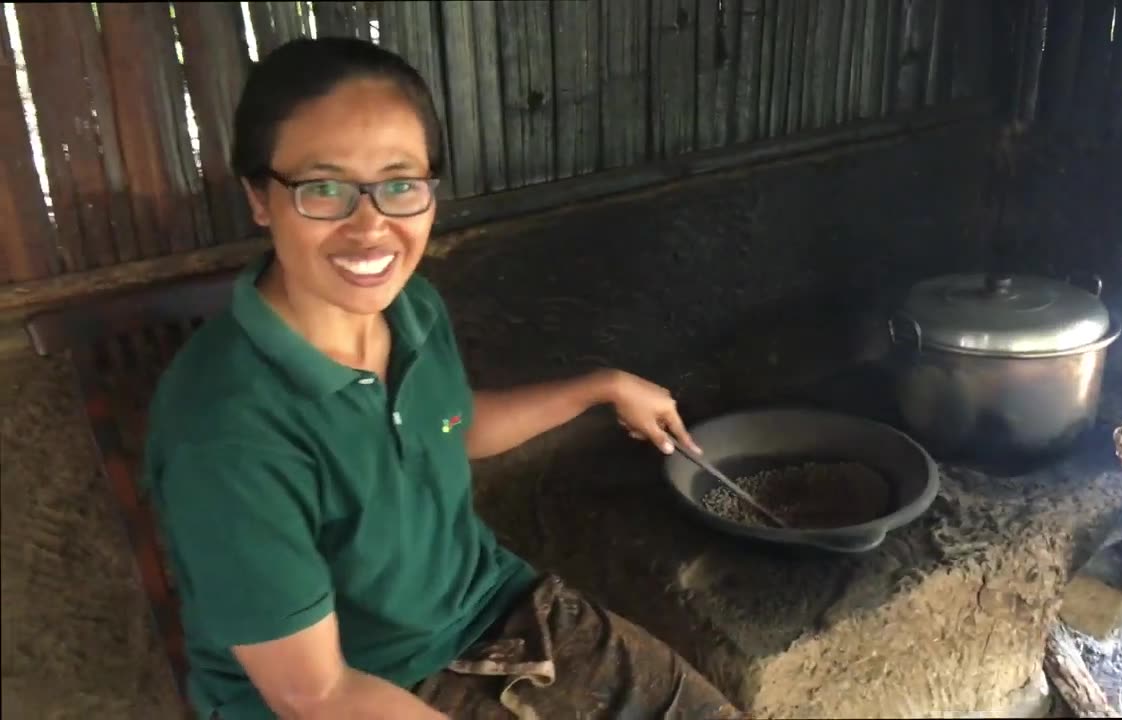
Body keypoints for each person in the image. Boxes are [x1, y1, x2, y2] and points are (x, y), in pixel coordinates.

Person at [142, 36, 742, 720]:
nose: (371, 229)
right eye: (325, 189)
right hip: (359, 688)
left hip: (489, 612)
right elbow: (316, 693)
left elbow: (450, 426)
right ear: (258, 197)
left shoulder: (411, 307)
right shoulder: (224, 429)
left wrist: (599, 387)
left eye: (399, 185)